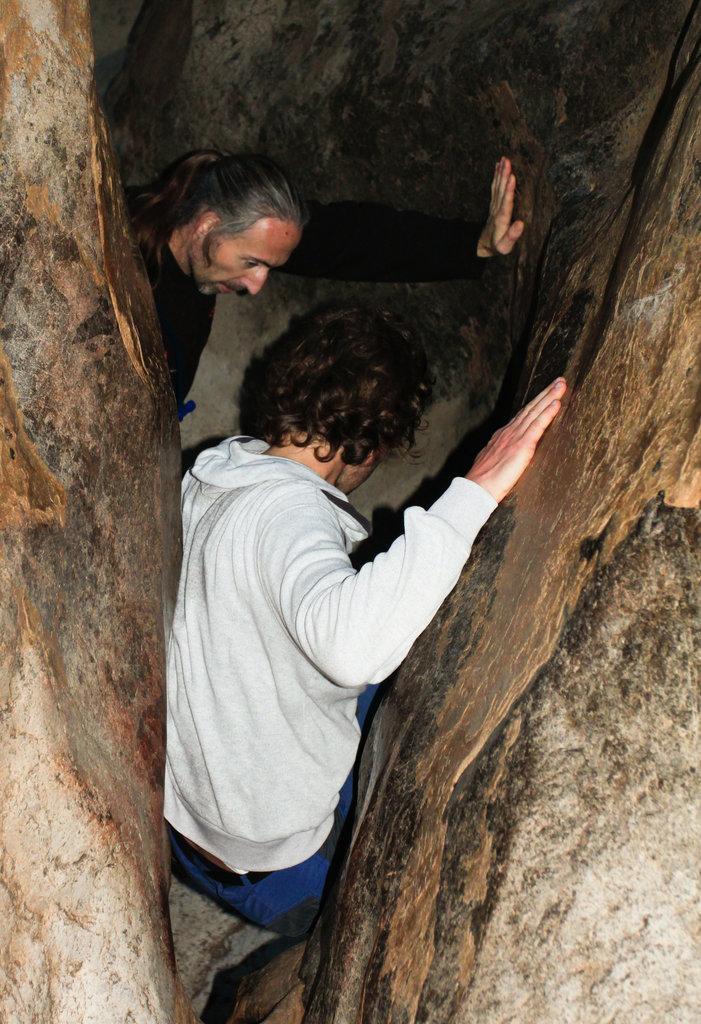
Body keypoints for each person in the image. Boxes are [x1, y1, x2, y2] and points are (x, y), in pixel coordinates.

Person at [164, 306, 566, 936]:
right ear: (373, 446)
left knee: (391, 631)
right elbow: (352, 646)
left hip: (189, 822)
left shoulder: (213, 477)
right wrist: (475, 492)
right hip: (278, 862)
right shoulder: (289, 517)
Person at [128, 151, 524, 417]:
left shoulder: (238, 232)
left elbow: (354, 240)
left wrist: (474, 244)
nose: (256, 285)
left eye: (268, 266)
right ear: (207, 225)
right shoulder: (120, 258)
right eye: (250, 263)